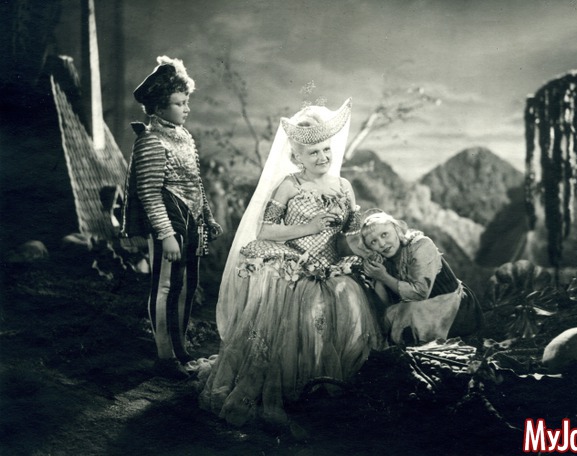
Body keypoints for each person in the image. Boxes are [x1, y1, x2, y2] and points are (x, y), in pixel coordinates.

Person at [196, 98, 384, 428]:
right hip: (296, 270)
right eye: (313, 153)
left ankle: (329, 388)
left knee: (351, 308)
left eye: (326, 150)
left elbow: (350, 233)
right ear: (297, 157)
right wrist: (309, 227)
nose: (323, 157)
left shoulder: (344, 186)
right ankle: (294, 388)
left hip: (334, 270)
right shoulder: (289, 185)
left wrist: (364, 244)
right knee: (305, 320)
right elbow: (265, 230)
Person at [121, 56, 222, 379]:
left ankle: (180, 350)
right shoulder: (151, 140)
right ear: (158, 108)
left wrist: (207, 217)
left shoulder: (184, 137)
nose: (186, 109)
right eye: (179, 103)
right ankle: (165, 357)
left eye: (186, 102)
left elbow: (195, 183)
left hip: (191, 219)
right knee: (166, 286)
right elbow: (149, 192)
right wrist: (165, 234)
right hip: (169, 219)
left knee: (188, 285)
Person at [358, 210, 483, 346]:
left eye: (384, 234)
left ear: (396, 230)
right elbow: (385, 306)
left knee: (404, 322)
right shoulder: (385, 259)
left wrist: (383, 277)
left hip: (453, 308)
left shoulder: (421, 246)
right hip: (420, 310)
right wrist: (377, 275)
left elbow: (419, 293)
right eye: (373, 242)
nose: (382, 244)